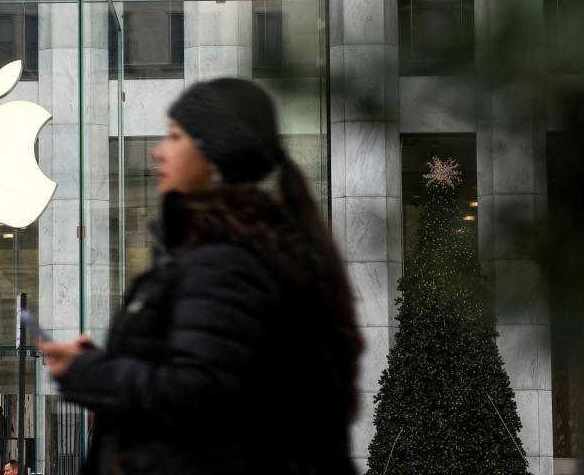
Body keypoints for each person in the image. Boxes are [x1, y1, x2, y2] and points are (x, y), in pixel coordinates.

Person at [38, 78, 362, 475]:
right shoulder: (233, 249)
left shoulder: (224, 261)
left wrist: (88, 373)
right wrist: (108, 362)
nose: (158, 152)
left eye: (175, 137)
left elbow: (200, 390)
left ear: (213, 157)